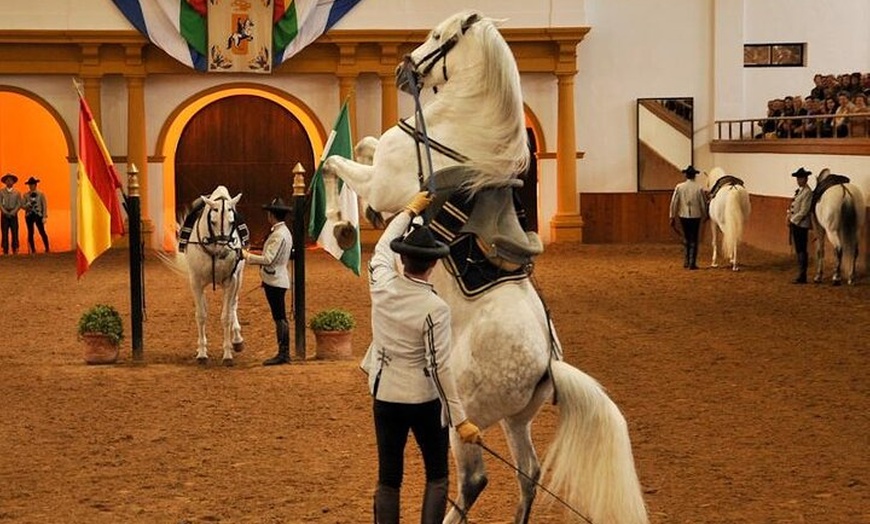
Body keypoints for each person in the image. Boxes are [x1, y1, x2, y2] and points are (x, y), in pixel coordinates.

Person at [360, 191, 481, 524]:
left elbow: (384, 244)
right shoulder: (436, 309)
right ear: (433, 263)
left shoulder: (381, 283)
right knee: (437, 473)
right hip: (424, 400)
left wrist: (408, 210)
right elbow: (440, 366)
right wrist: (460, 420)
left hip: (385, 394)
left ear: (405, 259)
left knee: (389, 476)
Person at [241, 197, 294, 366]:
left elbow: (269, 259)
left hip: (276, 281)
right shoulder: (281, 231)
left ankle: (283, 353)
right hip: (275, 278)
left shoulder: (279, 234)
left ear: (272, 215)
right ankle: (283, 351)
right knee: (279, 317)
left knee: (279, 317)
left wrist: (246, 256)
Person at [669, 165, 708, 269]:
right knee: (694, 239)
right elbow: (703, 203)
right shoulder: (699, 188)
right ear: (694, 176)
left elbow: (674, 202)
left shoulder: (679, 187)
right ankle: (692, 262)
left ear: (686, 175)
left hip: (683, 215)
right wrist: (705, 214)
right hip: (696, 216)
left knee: (686, 238)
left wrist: (672, 216)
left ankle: (686, 261)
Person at [787, 167, 814, 284]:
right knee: (799, 249)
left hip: (801, 224)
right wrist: (789, 215)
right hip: (796, 223)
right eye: (798, 178)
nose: (799, 180)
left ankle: (802, 275)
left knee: (802, 249)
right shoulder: (800, 191)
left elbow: (804, 211)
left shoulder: (807, 192)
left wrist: (793, 220)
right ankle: (801, 273)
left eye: (801, 178)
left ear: (806, 179)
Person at [22, 176, 49, 253]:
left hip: (38, 215)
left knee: (42, 231)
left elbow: (44, 205)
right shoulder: (25, 195)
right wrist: (27, 205)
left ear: (35, 185)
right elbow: (23, 206)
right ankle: (33, 249)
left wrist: (44, 216)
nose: (31, 186)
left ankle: (47, 248)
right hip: (29, 215)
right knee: (30, 232)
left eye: (33, 184)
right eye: (30, 185)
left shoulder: (41, 194)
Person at [0, 172, 22, 255]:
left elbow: (19, 204)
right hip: (4, 214)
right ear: (5, 182)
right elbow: (0, 204)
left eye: (11, 180)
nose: (9, 182)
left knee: (15, 231)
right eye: (7, 180)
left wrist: (13, 212)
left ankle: (15, 248)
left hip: (13, 214)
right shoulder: (1, 192)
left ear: (13, 182)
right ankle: (5, 249)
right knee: (4, 232)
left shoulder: (17, 192)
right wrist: (4, 211)